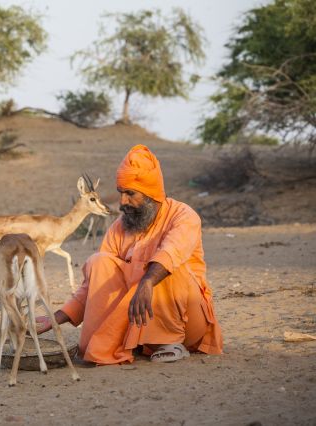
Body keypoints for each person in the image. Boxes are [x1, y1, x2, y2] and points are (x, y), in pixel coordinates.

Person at [36, 144, 222, 365]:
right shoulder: (119, 227)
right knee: (100, 262)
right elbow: (95, 283)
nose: (122, 202)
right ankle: (122, 342)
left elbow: (172, 251)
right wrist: (57, 318)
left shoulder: (183, 216)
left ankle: (168, 342)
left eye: (130, 194)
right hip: (139, 320)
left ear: (150, 193)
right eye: (120, 193)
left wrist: (147, 282)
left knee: (165, 266)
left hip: (188, 323)